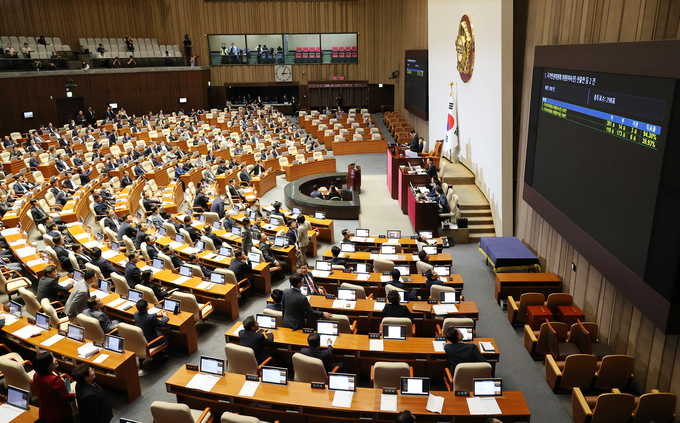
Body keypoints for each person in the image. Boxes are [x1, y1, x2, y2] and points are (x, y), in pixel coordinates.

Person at [32, 352, 75, 423]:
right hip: (59, 416)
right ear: (46, 365)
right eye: (52, 359)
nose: (55, 359)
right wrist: (73, 394)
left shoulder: (36, 375)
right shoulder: (55, 380)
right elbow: (67, 398)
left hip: (44, 413)